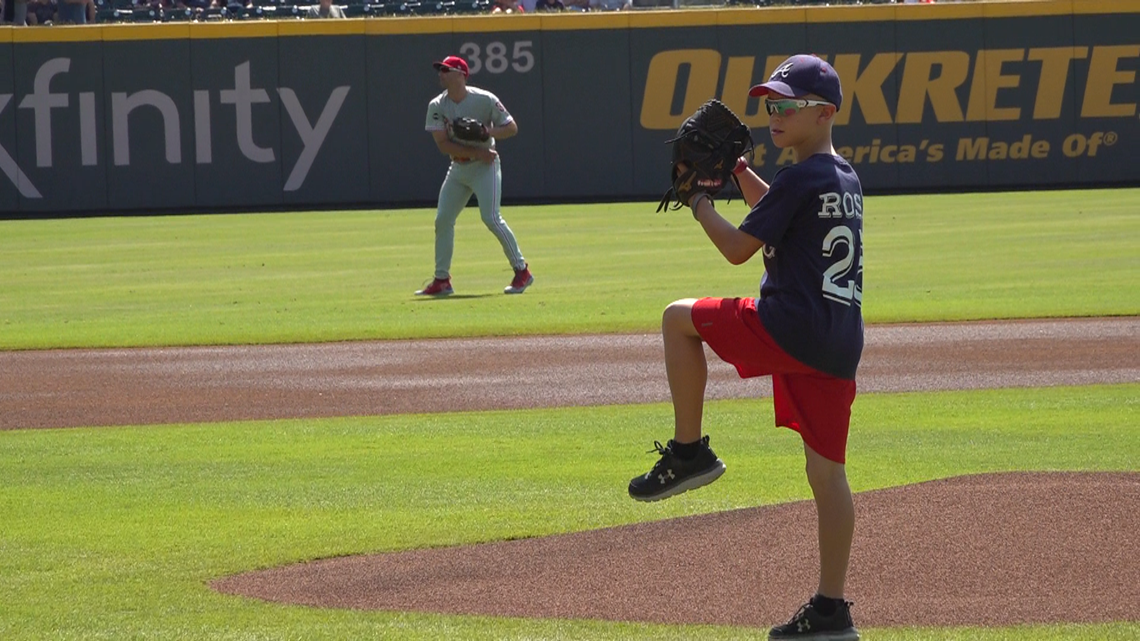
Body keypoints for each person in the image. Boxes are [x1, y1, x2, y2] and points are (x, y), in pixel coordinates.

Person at [626, 54, 864, 641]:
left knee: (677, 318)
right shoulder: (840, 175)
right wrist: (736, 171)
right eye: (769, 104)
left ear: (825, 112)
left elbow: (740, 249)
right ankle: (832, 610)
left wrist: (697, 201)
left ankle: (689, 453)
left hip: (792, 324)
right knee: (827, 474)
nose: (773, 114)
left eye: (787, 105)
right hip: (837, 341)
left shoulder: (801, 176)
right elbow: (779, 214)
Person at [417, 55, 533, 297]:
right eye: (440, 70)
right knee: (443, 220)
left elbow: (511, 128)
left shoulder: (484, 99)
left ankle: (522, 271)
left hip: (485, 167)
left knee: (491, 217)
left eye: (446, 70)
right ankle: (442, 280)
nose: (441, 74)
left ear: (461, 75)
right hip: (459, 168)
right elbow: (443, 145)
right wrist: (477, 151)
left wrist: (486, 131)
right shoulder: (437, 105)